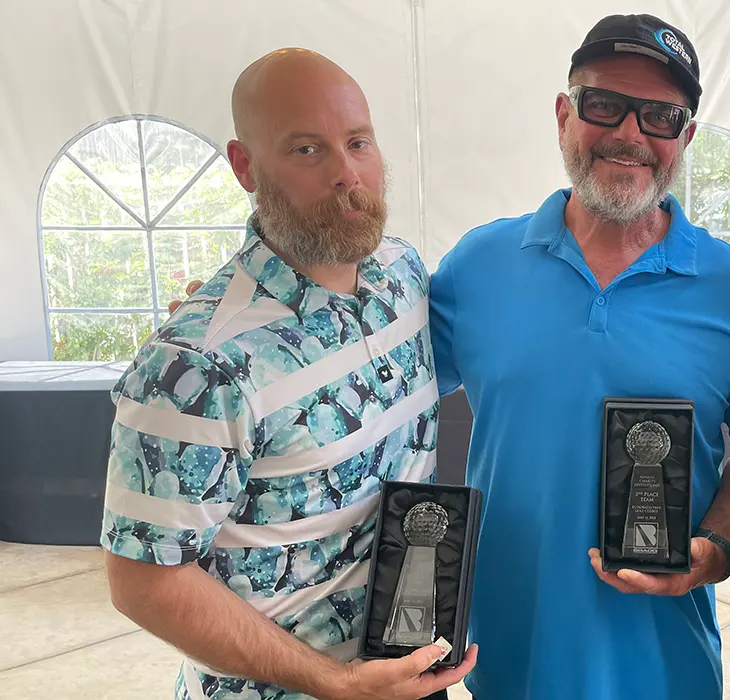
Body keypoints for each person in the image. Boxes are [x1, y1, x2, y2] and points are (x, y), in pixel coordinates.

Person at [101, 48, 475, 700]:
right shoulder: (193, 367)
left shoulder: (402, 275)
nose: (347, 173)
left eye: (358, 142)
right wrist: (337, 682)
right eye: (307, 149)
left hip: (410, 668)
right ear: (244, 166)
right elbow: (144, 582)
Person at [428, 13, 730, 700]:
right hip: (509, 667)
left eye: (660, 116)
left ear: (685, 137)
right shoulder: (477, 265)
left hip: (670, 670)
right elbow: (381, 391)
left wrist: (714, 550)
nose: (630, 134)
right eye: (604, 104)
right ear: (565, 115)